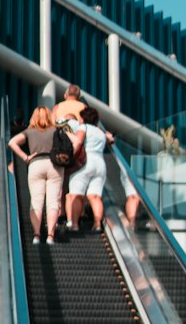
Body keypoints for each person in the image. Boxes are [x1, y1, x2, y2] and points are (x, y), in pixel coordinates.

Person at [9, 106, 64, 245]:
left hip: (36, 164)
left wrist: (25, 157)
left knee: (36, 201)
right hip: (55, 165)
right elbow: (75, 141)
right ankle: (51, 235)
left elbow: (12, 142)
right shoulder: (56, 131)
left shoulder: (29, 131)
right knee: (53, 202)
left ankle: (37, 235)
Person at [66, 105, 114, 231]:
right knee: (95, 196)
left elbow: (79, 141)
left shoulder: (83, 127)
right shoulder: (101, 133)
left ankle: (75, 224)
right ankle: (98, 224)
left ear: (83, 118)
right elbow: (110, 139)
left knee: (77, 194)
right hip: (100, 164)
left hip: (85, 162)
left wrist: (71, 156)